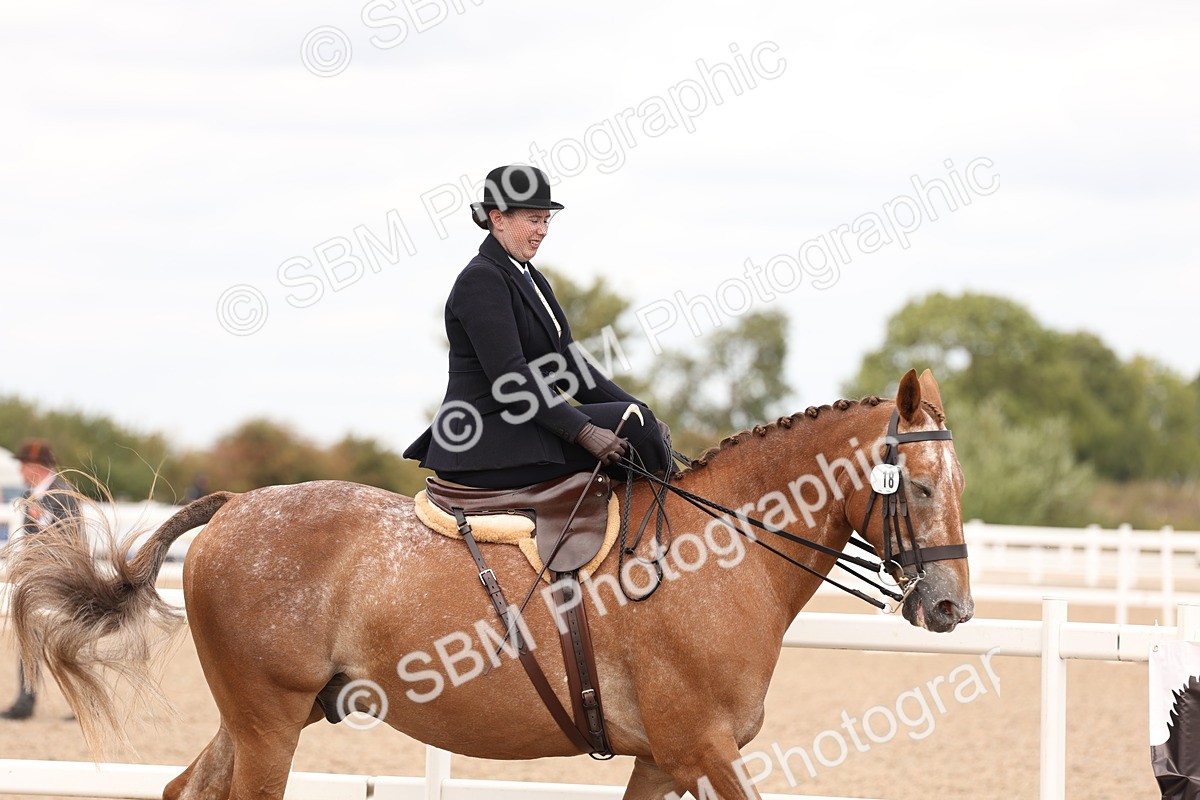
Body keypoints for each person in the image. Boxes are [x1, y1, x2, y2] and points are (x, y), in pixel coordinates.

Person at [404, 164, 671, 489]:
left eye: (546, 220)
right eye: (534, 220)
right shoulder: (481, 279)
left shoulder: (531, 277)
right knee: (636, 427)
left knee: (638, 420)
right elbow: (511, 377)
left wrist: (642, 411)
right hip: (484, 435)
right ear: (498, 219)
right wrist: (583, 430)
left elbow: (568, 364)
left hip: (524, 422)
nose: (543, 230)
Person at [1, 439, 80, 721]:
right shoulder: (31, 494)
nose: (21, 471)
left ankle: (84, 702)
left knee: (68, 642)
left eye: (23, 465)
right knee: (30, 637)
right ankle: (25, 701)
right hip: (36, 578)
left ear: (35, 466)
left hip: (60, 579)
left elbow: (71, 537)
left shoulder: (63, 494)